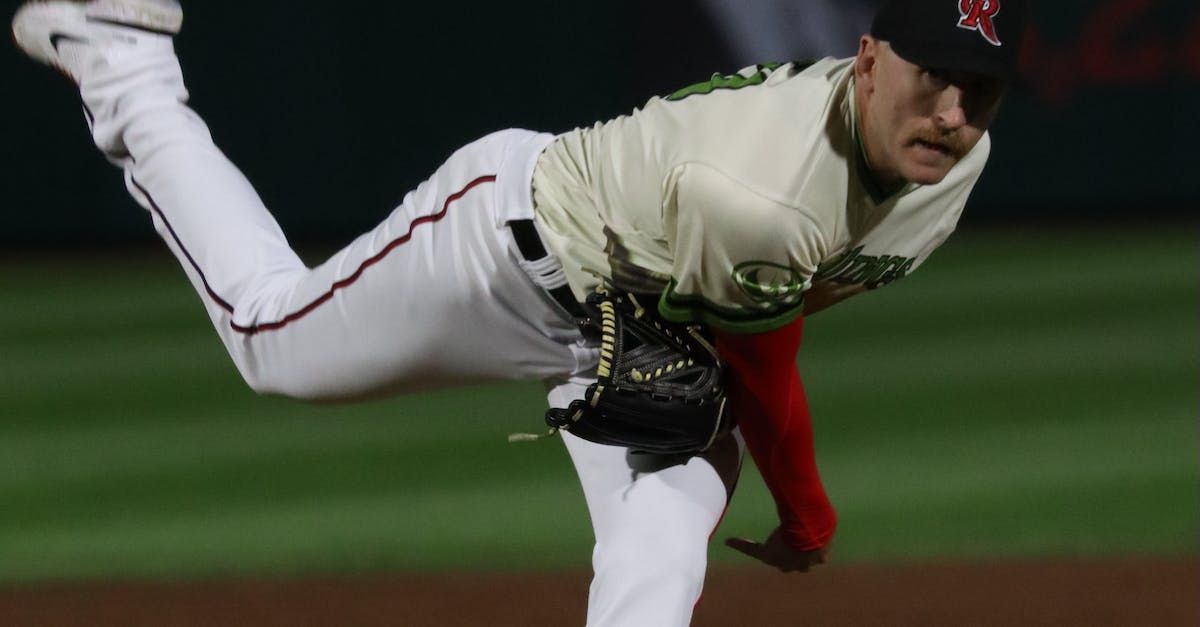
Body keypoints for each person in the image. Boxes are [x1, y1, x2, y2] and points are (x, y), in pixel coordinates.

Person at [12, 0, 1027, 625]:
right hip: (503, 247)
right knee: (271, 340)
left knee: (662, 544)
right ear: (866, 59)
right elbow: (768, 365)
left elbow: (801, 284)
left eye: (976, 90)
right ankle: (123, 60)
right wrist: (807, 516)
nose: (951, 112)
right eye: (932, 76)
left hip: (642, 305)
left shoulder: (954, 152)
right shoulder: (760, 193)